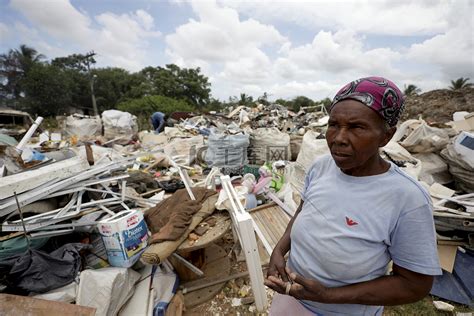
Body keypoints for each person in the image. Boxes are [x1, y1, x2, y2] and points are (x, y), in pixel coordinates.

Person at [264, 77, 441, 316]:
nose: (338, 138)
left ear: (386, 137)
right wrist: (279, 250)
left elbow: (414, 285)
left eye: (356, 127)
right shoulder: (321, 167)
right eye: (334, 124)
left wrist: (327, 296)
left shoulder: (407, 198)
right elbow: (303, 211)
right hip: (290, 300)